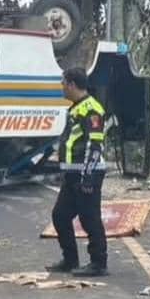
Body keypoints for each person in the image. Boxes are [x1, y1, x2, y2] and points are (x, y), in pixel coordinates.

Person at [48, 66, 108, 276]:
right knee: (60, 215)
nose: (62, 88)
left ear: (72, 84)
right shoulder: (76, 107)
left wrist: (88, 178)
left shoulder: (91, 109)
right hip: (72, 173)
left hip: (87, 172)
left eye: (63, 84)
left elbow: (95, 144)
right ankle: (70, 260)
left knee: (89, 218)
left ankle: (99, 263)